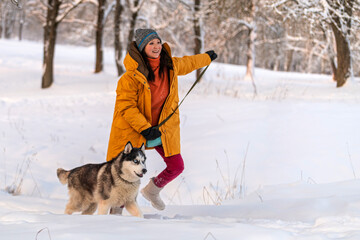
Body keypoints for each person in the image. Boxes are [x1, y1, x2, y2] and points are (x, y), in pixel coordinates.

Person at [106, 28, 217, 211]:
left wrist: (206, 57)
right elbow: (126, 106)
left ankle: (152, 190)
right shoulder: (130, 77)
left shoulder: (169, 65)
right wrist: (144, 127)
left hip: (161, 128)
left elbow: (188, 63)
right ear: (142, 48)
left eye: (158, 42)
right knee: (122, 177)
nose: (156, 46)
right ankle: (116, 215)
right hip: (134, 130)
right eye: (151, 43)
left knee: (176, 165)